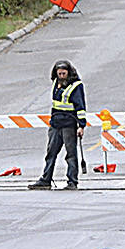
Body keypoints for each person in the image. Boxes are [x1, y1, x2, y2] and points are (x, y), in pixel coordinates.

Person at [27, 59, 87, 191]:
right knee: (51, 153)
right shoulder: (55, 83)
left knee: (71, 155)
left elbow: (81, 107)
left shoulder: (76, 86)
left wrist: (81, 126)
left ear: (69, 73)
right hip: (56, 124)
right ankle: (46, 179)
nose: (61, 76)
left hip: (69, 125)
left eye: (63, 74)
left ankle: (72, 181)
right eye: (59, 74)